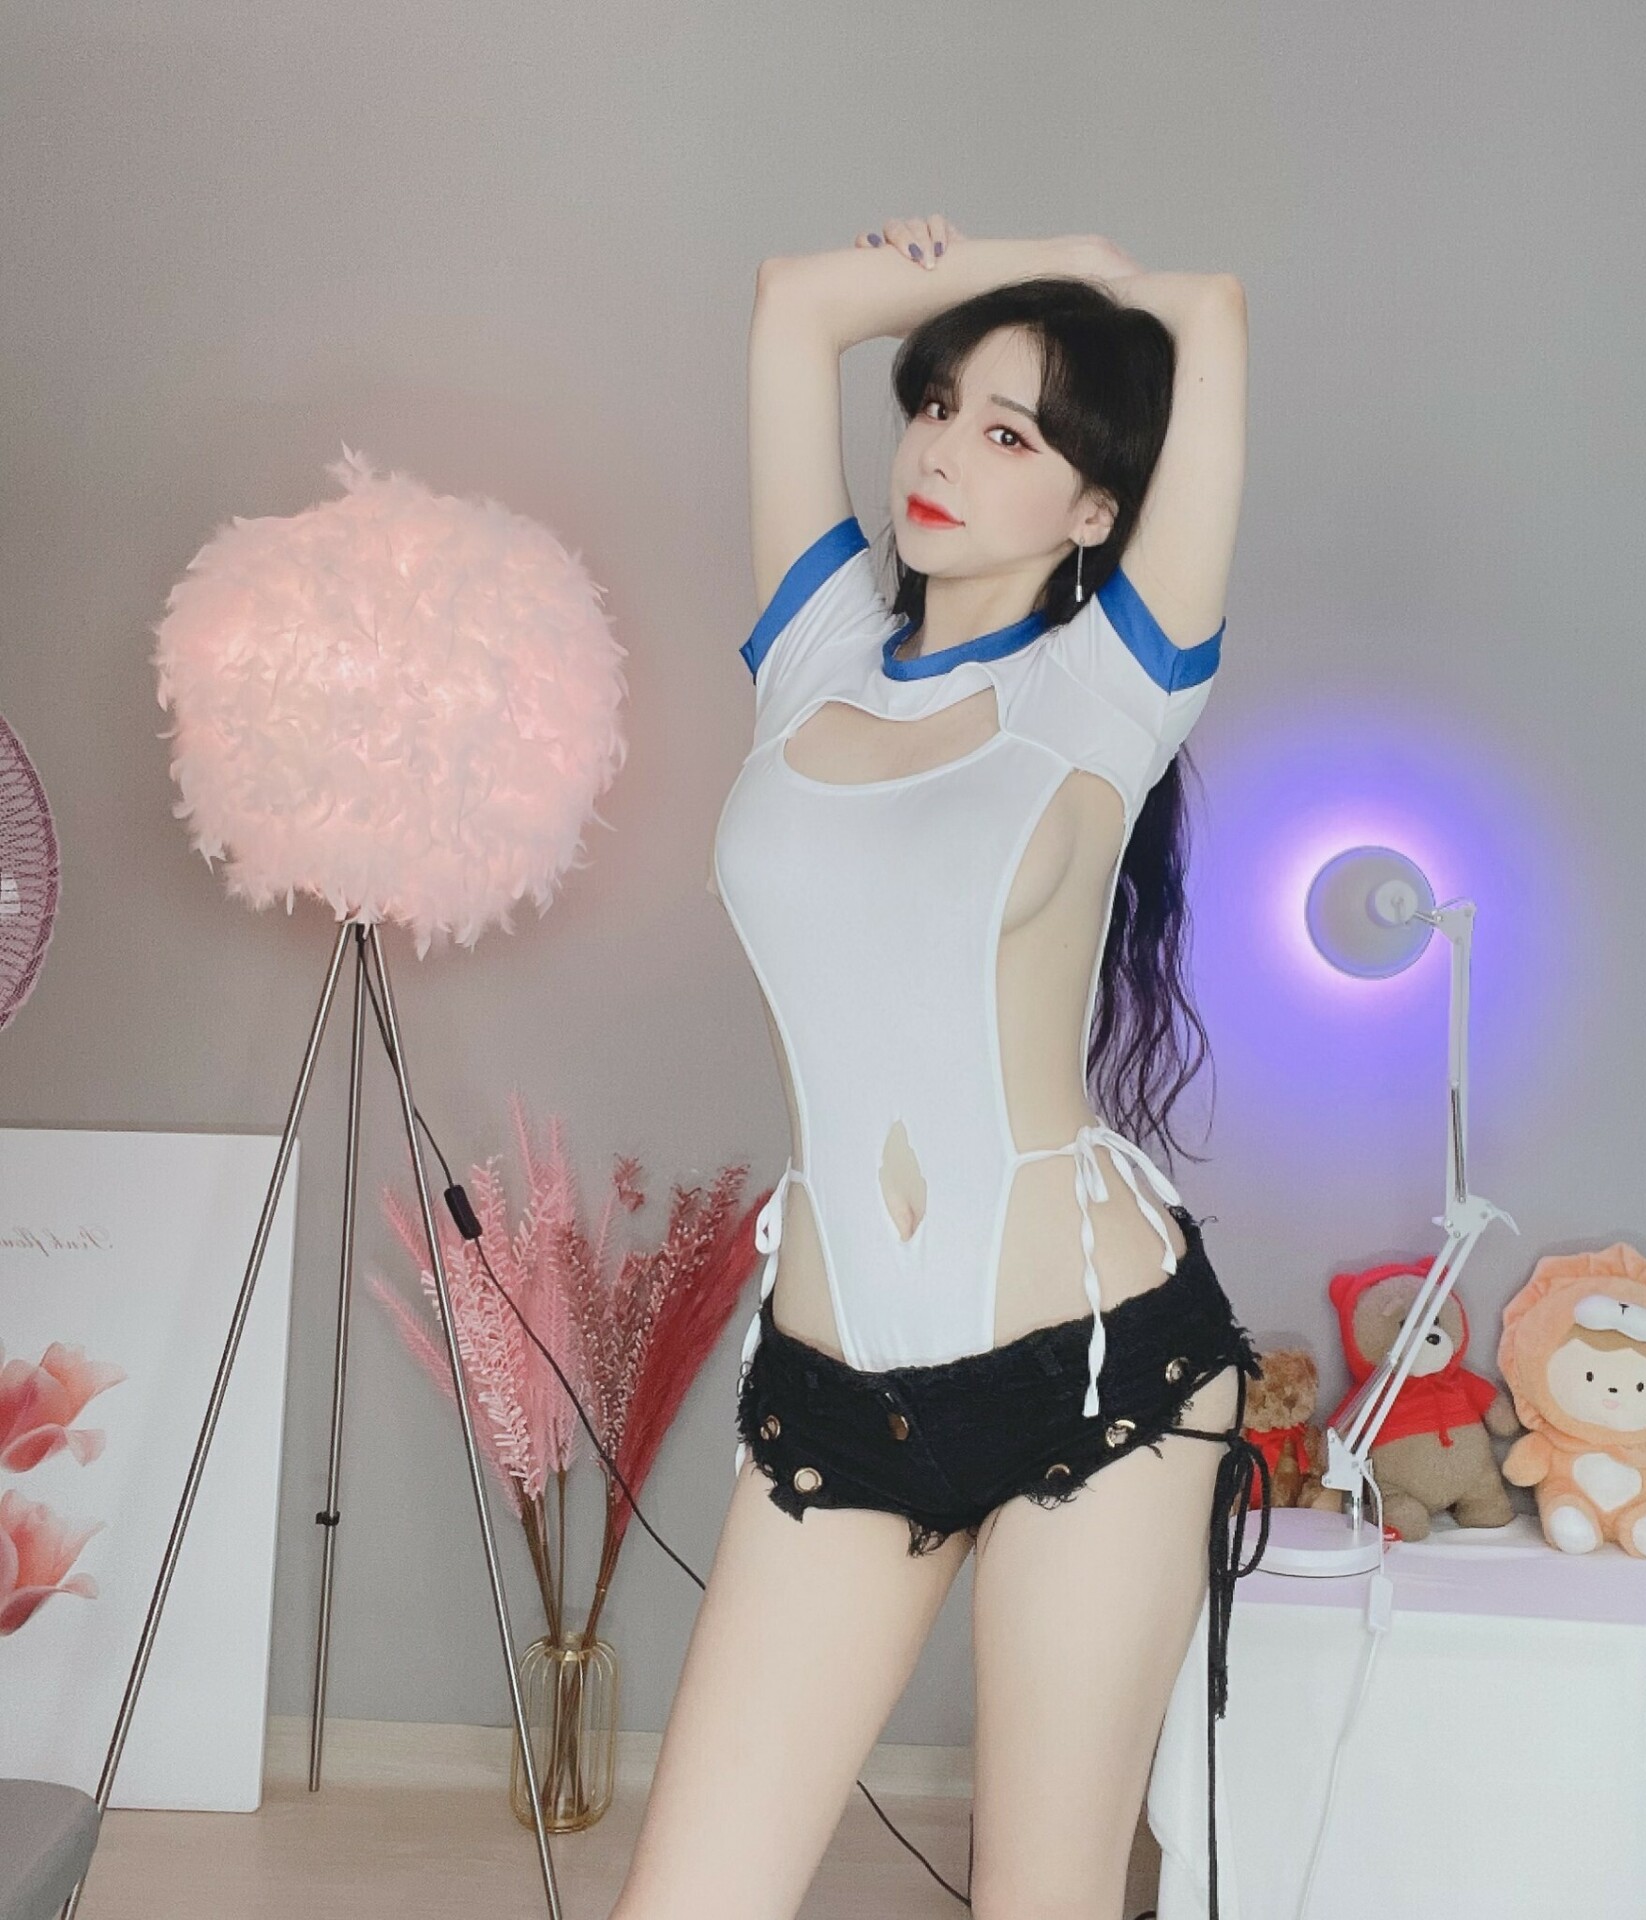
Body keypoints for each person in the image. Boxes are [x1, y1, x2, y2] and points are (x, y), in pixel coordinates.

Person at [612, 217, 1265, 1920]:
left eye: (1011, 434)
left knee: (1040, 1896)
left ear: (1096, 508)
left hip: (1101, 1379)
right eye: (933, 406)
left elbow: (1208, 308)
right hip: (838, 1394)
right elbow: (793, 306)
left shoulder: (1111, 683)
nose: (942, 454)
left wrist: (1095, 283)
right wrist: (1022, 257)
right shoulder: (816, 646)